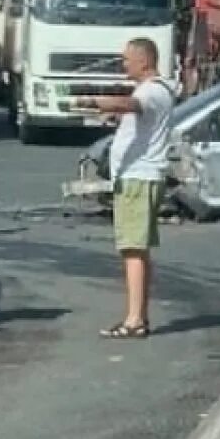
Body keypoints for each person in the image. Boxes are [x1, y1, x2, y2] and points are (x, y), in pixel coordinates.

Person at [75, 38, 175, 339]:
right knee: (136, 249)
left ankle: (134, 320)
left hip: (139, 178)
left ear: (144, 60)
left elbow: (130, 104)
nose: (124, 64)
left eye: (128, 59)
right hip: (139, 177)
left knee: (132, 249)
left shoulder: (152, 90)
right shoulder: (155, 90)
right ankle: (138, 315)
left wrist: (93, 101)